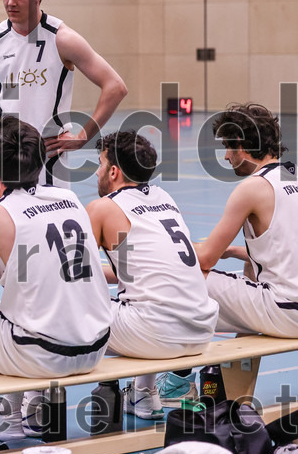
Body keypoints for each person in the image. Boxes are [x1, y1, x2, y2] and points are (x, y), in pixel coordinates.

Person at [0, 116, 112, 442]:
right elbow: (19, 208)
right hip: (95, 345)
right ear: (41, 162)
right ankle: (30, 411)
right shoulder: (70, 200)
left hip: (41, 354)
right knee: (28, 301)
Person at [0, 0, 127, 208]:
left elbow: (115, 87)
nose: (10, 3)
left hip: (48, 156)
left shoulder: (63, 39)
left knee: (48, 227)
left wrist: (83, 137)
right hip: (3, 155)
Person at [86, 131, 218, 419]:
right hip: (201, 329)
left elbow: (74, 276)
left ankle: (30, 408)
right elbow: (141, 271)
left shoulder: (102, 208)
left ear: (113, 171)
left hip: (155, 333)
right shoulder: (163, 197)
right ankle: (143, 395)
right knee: (143, 297)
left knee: (68, 309)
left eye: (100, 164)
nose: (96, 172)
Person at [198, 104, 298, 338]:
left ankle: (173, 360)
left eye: (227, 147)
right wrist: (234, 251)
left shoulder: (253, 187)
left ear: (240, 145)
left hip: (286, 312)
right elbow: (287, 248)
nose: (226, 156)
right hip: (292, 306)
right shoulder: (291, 178)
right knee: (250, 268)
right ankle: (239, 361)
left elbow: (205, 259)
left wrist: (170, 249)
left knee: (187, 277)